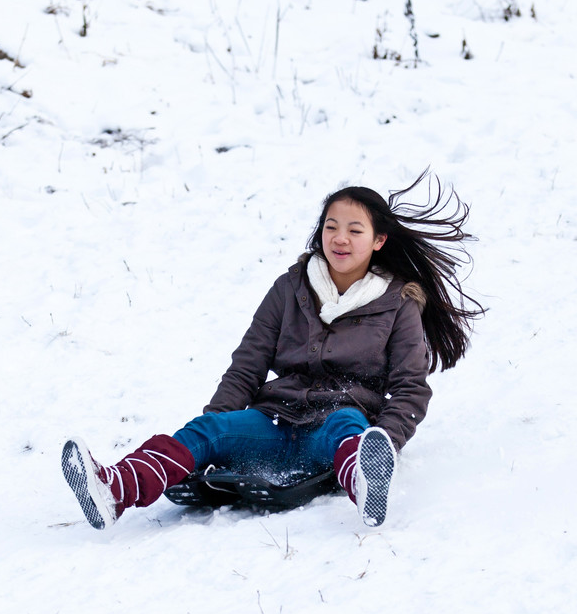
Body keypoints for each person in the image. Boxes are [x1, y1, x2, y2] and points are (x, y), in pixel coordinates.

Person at [61, 171, 485, 530]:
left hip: (335, 431)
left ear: (378, 241)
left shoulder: (398, 303)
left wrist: (386, 443)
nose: (340, 238)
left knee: (347, 424)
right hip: (275, 419)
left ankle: (366, 477)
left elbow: (411, 388)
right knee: (206, 431)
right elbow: (249, 362)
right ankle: (114, 489)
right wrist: (219, 429)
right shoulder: (290, 287)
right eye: (331, 226)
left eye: (355, 230)